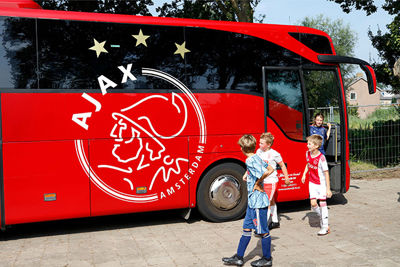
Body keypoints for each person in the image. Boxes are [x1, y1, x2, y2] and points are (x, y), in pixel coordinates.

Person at [222, 134, 274, 267]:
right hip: (252, 202)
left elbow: (266, 172)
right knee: (246, 228)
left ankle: (267, 259)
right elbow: (270, 168)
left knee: (262, 231)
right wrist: (248, 174)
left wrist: (258, 183)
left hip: (257, 202)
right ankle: (239, 257)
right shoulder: (256, 157)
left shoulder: (250, 161)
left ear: (242, 148)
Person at [256, 132, 290, 229]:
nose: (259, 145)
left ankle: (262, 227)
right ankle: (275, 221)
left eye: (262, 143)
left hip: (271, 181)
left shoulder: (274, 154)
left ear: (268, 144)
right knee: (271, 201)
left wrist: (286, 178)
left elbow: (282, 165)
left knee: (266, 203)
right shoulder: (259, 151)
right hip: (262, 180)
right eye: (259, 142)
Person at [301, 134, 332, 236]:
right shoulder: (307, 154)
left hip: (321, 184)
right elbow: (307, 163)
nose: (307, 145)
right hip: (312, 183)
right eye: (307, 143)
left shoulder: (321, 158)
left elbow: (326, 173)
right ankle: (322, 216)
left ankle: (325, 226)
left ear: (316, 146)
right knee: (313, 203)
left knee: (323, 204)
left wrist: (328, 189)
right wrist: (304, 174)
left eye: (309, 144)